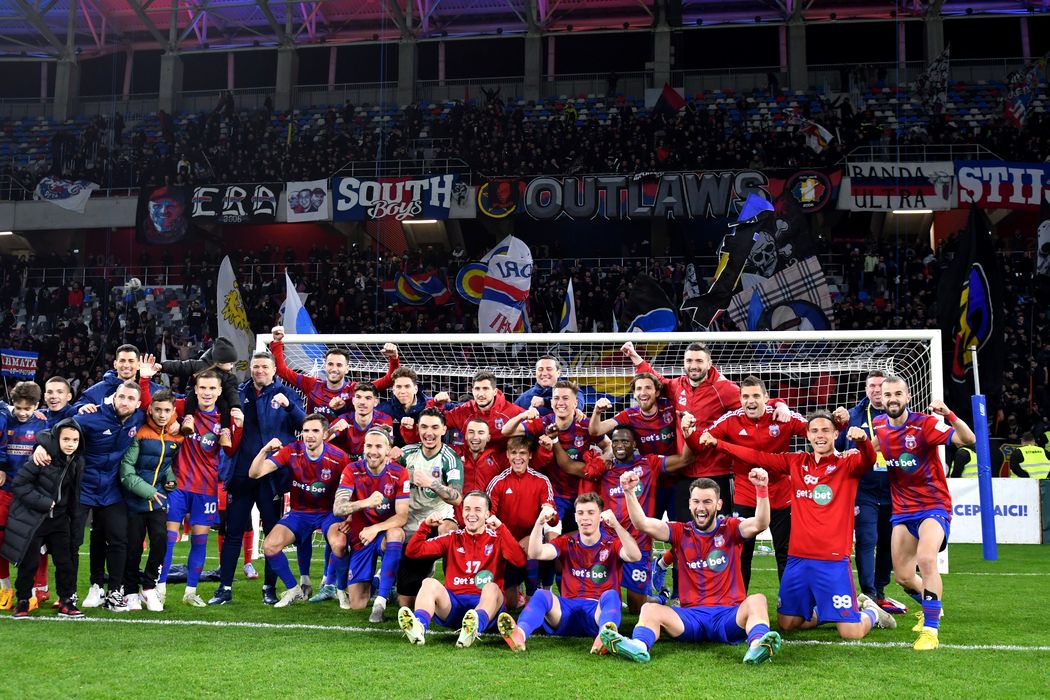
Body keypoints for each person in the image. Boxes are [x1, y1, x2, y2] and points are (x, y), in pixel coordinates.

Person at [699, 411, 897, 640]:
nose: (820, 435)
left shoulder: (847, 462)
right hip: (798, 559)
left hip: (833, 561)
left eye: (825, 430)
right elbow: (757, 456)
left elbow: (869, 459)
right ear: (807, 435)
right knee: (787, 624)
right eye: (814, 431)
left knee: (850, 633)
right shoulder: (796, 462)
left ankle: (872, 611)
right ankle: (825, 612)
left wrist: (863, 441)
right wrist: (719, 443)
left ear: (836, 433)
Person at [598, 469, 782, 665]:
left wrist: (762, 488)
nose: (701, 507)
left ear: (719, 504)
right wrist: (629, 491)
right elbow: (642, 524)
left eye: (707, 502)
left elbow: (760, 523)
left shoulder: (730, 528)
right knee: (649, 609)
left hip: (728, 616)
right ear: (690, 504)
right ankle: (639, 646)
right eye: (696, 501)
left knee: (757, 600)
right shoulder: (680, 531)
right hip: (690, 618)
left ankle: (757, 646)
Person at [621, 341, 791, 518]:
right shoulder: (678, 386)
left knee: (718, 528)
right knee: (684, 528)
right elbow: (656, 380)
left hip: (716, 472)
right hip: (684, 472)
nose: (693, 366)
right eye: (689, 361)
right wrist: (635, 357)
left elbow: (752, 401)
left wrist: (779, 404)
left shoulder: (724, 388)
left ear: (709, 363)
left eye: (699, 361)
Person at [872, 376, 975, 651]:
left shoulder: (924, 424)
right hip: (902, 511)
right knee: (903, 576)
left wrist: (949, 415)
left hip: (933, 506)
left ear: (907, 397)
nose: (892, 399)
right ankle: (933, 606)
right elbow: (872, 449)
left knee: (927, 559)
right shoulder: (879, 424)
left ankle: (930, 631)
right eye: (887, 394)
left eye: (898, 394)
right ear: (881, 399)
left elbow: (968, 439)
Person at [552, 423, 697, 613]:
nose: (619, 445)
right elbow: (568, 466)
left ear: (634, 444)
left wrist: (688, 433)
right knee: (559, 554)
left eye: (625, 441)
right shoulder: (604, 468)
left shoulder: (648, 464)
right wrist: (555, 439)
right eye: (616, 441)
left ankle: (661, 597)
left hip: (638, 544)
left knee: (637, 608)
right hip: (606, 543)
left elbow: (686, 459)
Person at [684, 376, 806, 588]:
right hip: (746, 493)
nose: (751, 401)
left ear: (766, 398)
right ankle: (738, 600)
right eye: (746, 396)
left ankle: (788, 602)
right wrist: (688, 432)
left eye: (756, 396)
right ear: (740, 399)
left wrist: (839, 423)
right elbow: (700, 444)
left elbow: (816, 430)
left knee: (785, 551)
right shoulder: (731, 419)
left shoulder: (782, 416)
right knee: (742, 550)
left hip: (780, 493)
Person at [211, 350, 305, 606]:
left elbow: (305, 425)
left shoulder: (286, 394)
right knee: (233, 531)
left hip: (272, 476)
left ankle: (269, 588)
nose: (260, 370)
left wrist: (290, 407)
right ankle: (224, 588)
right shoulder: (238, 393)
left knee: (272, 533)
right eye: (256, 366)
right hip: (241, 474)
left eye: (265, 366)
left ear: (274, 369)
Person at [496, 492, 641, 653]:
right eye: (581, 513)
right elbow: (536, 553)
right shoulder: (567, 541)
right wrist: (539, 522)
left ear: (601, 516)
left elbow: (635, 556)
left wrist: (616, 526)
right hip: (566, 612)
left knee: (611, 596)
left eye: (591, 513)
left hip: (597, 613)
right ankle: (519, 634)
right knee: (542, 594)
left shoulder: (612, 543)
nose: (585, 518)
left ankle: (604, 637)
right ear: (575, 517)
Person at [397, 490, 527, 648]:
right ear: (462, 512)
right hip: (454, 606)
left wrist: (501, 528)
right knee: (428, 583)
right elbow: (413, 552)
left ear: (487, 514)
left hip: (486, 607)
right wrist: (425, 526)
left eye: (477, 509)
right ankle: (418, 627)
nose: (471, 514)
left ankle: (474, 627)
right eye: (467, 509)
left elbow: (520, 560)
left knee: (492, 588)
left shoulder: (497, 538)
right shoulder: (452, 538)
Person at [157, 370, 242, 607]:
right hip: (178, 486)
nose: (207, 392)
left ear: (219, 391)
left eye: (212, 388)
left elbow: (231, 451)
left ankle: (191, 592)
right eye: (202, 387)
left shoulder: (224, 419)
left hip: (205, 489)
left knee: (200, 541)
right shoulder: (182, 408)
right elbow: (153, 404)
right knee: (168, 539)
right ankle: (159, 589)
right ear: (195, 389)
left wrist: (238, 427)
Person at [249, 413, 350, 608]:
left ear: (325, 434)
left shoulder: (339, 457)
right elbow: (255, 473)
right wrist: (264, 451)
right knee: (269, 546)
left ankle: (341, 589)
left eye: (315, 431)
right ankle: (293, 589)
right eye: (306, 431)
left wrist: (349, 516)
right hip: (299, 513)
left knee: (339, 545)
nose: (309, 435)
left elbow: (352, 487)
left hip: (328, 513)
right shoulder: (292, 451)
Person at [832, 370, 902, 614]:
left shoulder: (900, 416)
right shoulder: (853, 416)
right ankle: (868, 592)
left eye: (880, 385)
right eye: (872, 386)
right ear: (866, 390)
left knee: (888, 542)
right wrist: (837, 424)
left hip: (894, 489)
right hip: (863, 490)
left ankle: (880, 590)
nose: (876, 389)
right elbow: (836, 448)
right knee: (866, 539)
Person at [1, 419, 84, 619]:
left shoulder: (77, 461)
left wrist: (75, 522)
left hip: (60, 520)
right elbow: (19, 485)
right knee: (29, 563)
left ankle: (66, 601)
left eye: (75, 440)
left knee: (65, 562)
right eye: (66, 439)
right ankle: (23, 601)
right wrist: (44, 503)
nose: (70, 444)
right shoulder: (42, 457)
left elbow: (74, 495)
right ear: (57, 439)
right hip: (35, 519)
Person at [503, 380, 604, 533]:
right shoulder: (544, 423)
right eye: (556, 398)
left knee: (588, 535)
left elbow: (607, 445)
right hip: (555, 495)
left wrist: (603, 462)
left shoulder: (585, 424)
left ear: (575, 403)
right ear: (551, 402)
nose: (560, 402)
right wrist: (522, 416)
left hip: (582, 493)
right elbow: (506, 431)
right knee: (552, 537)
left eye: (565, 398)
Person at [330, 426, 409, 622]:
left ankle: (380, 601)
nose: (373, 451)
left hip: (382, 534)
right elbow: (338, 508)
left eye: (378, 446)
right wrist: (366, 503)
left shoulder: (400, 473)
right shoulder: (352, 469)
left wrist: (375, 528)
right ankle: (380, 579)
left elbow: (402, 516)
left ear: (388, 449)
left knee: (396, 533)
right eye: (369, 446)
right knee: (357, 604)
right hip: (361, 538)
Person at [118, 390, 181, 612]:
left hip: (158, 500)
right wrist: (147, 491)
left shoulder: (175, 435)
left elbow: (165, 465)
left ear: (173, 411)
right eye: (158, 410)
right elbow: (126, 468)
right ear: (150, 410)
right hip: (134, 500)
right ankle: (129, 592)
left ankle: (148, 587)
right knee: (133, 547)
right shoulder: (139, 432)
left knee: (161, 542)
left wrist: (170, 480)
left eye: (167, 410)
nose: (162, 415)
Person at [395, 408, 464, 609]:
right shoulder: (407, 453)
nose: (429, 432)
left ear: (443, 430)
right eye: (424, 427)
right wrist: (390, 457)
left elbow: (457, 498)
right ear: (418, 429)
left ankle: (455, 589)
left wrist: (431, 483)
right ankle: (386, 581)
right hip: (410, 524)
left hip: (437, 521)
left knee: (449, 531)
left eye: (435, 427)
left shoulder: (449, 457)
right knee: (405, 603)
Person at [485, 436, 557, 609]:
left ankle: (535, 594)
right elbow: (488, 517)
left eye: (523, 453)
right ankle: (515, 589)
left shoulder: (541, 481)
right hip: (505, 542)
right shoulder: (498, 482)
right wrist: (506, 541)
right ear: (508, 455)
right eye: (514, 453)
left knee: (540, 543)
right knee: (510, 604)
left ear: (530, 455)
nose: (518, 457)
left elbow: (553, 519)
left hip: (531, 539)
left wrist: (549, 513)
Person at [269, 326, 399, 420]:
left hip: (347, 446)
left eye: (339, 365)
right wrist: (277, 342)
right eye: (330, 364)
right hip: (316, 443)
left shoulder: (356, 389)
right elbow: (281, 370)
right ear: (325, 366)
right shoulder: (312, 384)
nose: (334, 368)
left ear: (347, 369)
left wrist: (393, 358)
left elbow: (389, 380)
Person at [0, 382, 49, 610]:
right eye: (18, 408)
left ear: (36, 406)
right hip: (6, 489)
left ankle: (35, 589)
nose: (21, 413)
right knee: (1, 538)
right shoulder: (5, 419)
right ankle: (5, 586)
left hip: (30, 493)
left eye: (27, 409)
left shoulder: (43, 423)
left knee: (34, 542)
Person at [158, 336, 242, 447]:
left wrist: (235, 406)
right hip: (194, 395)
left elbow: (232, 392)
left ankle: (225, 432)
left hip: (219, 399)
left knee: (225, 406)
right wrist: (162, 366)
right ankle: (189, 418)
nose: (232, 366)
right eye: (230, 363)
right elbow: (181, 366)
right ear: (220, 362)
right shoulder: (199, 365)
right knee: (192, 395)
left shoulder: (230, 377)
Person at [423, 370, 524, 451]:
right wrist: (436, 404)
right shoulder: (464, 411)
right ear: (472, 390)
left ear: (494, 391)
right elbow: (432, 422)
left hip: (501, 467)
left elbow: (533, 426)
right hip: (470, 465)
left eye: (485, 389)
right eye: (477, 389)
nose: (481, 394)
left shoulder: (512, 412)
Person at [326, 382, 393, 459]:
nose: (362, 402)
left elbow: (387, 449)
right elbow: (319, 442)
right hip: (345, 463)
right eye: (358, 397)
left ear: (375, 402)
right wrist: (332, 430)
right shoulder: (343, 419)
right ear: (353, 401)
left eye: (368, 398)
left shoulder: (384, 420)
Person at [377, 367, 430, 447]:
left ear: (415, 389)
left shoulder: (429, 405)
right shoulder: (383, 410)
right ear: (393, 389)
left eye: (407, 386)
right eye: (399, 387)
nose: (403, 391)